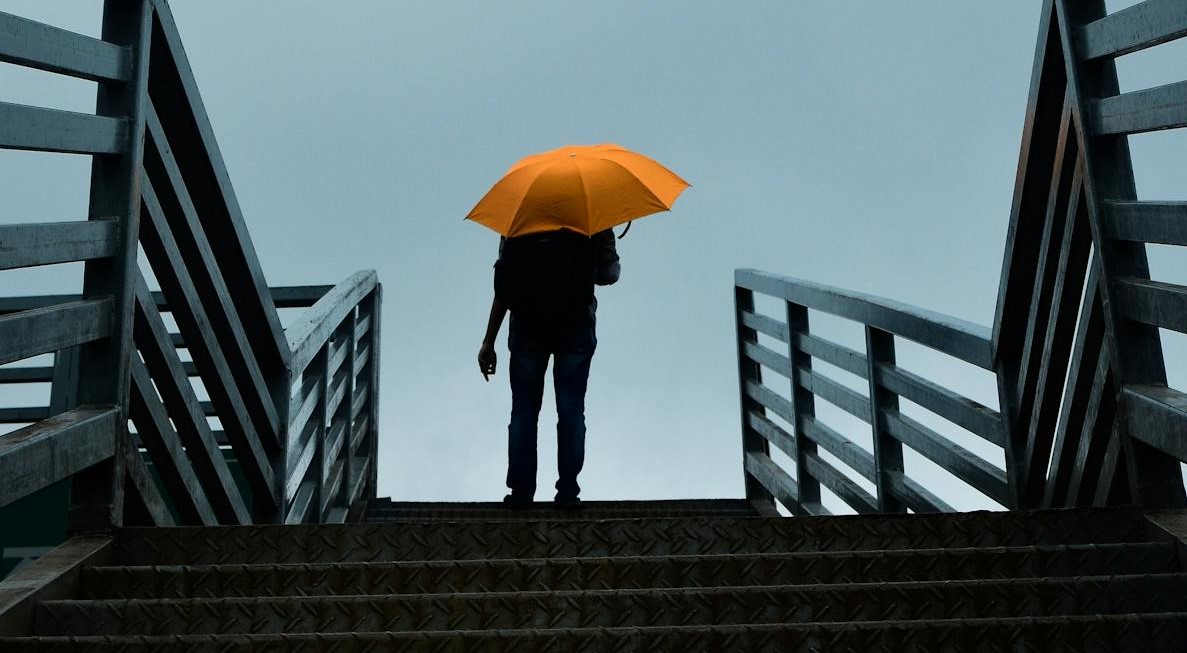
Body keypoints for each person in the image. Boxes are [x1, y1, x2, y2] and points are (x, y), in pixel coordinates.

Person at [477, 228, 620, 509]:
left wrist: (488, 341)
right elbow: (610, 274)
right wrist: (581, 265)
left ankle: (521, 493)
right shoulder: (592, 215)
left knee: (524, 411)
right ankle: (567, 492)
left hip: (527, 328)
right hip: (575, 326)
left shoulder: (520, 217)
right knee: (571, 410)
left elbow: (504, 287)